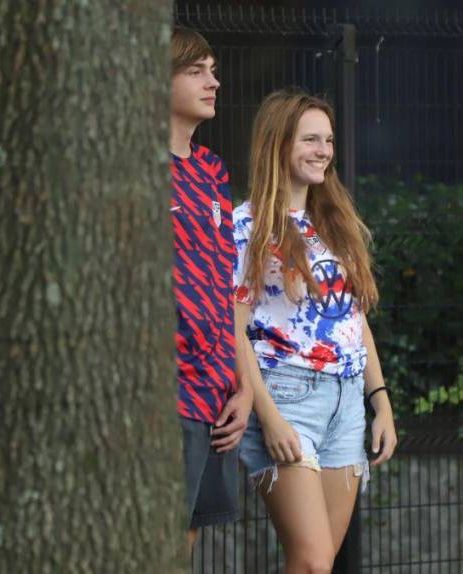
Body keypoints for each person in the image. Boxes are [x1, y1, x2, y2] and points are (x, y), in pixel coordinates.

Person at [233, 88, 397, 573]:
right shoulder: (247, 226)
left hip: (347, 404)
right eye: (310, 139)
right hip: (286, 396)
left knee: (318, 565)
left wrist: (380, 401)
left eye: (327, 139)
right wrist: (270, 418)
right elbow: (234, 330)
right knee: (311, 562)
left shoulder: (335, 222)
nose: (323, 150)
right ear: (278, 144)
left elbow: (353, 318)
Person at [169, 27, 252, 551]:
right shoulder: (129, 170)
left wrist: (242, 386)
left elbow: (229, 289)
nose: (213, 82)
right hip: (166, 391)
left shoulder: (213, 171)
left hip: (216, 393)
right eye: (196, 71)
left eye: (214, 70)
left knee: (188, 540)